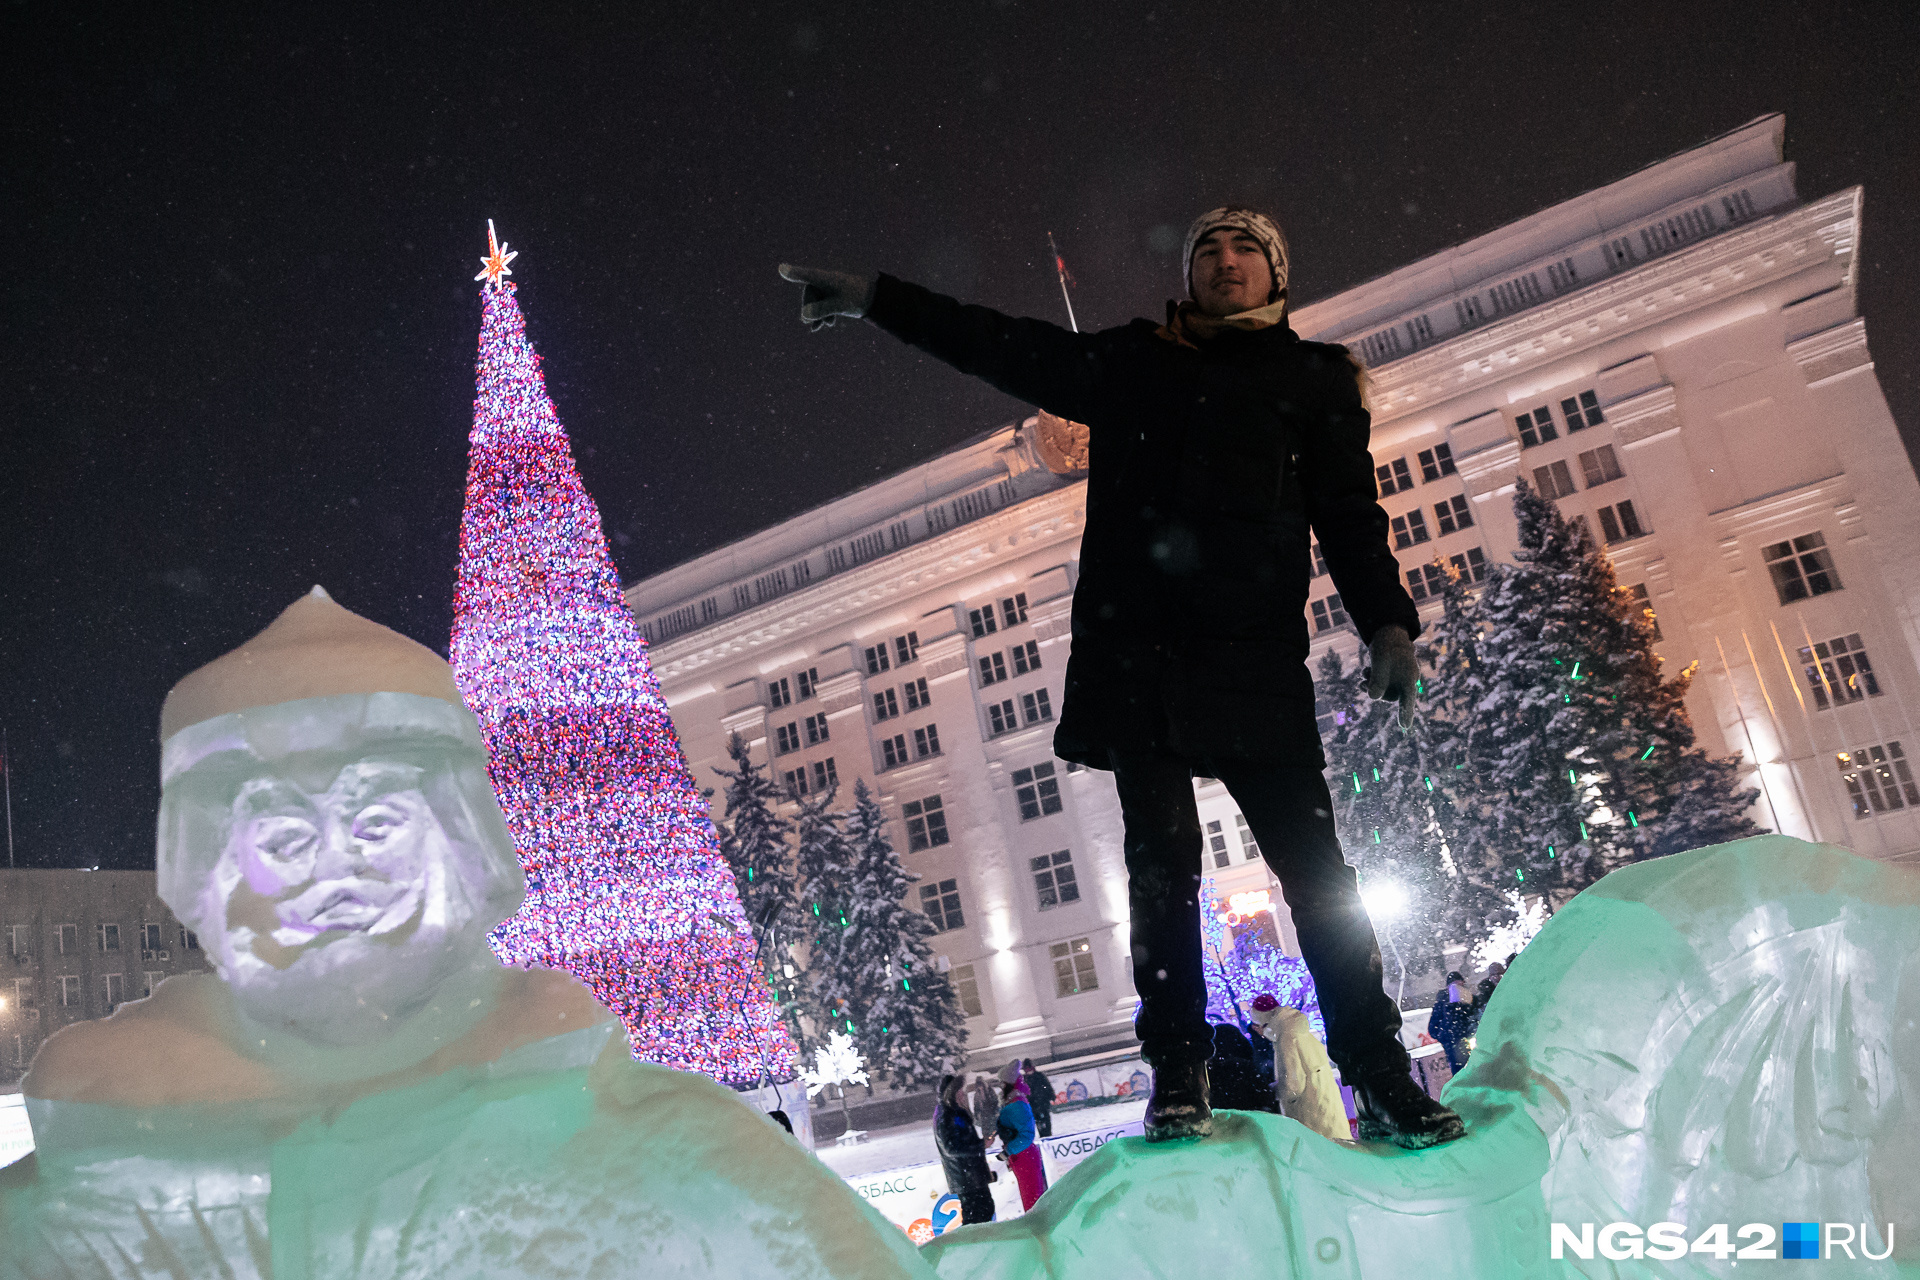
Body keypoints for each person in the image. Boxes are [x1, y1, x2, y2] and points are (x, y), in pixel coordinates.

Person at [780, 207, 1464, 1150]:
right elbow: (1003, 346)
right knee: (1160, 878)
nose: (1227, 264)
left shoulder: (1314, 381)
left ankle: (1383, 1076)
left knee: (1321, 880)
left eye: (1246, 252)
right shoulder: (1138, 364)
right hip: (1142, 662)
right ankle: (1178, 1074)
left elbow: (1351, 511)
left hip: (1255, 665)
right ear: (1187, 275)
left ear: (1277, 275)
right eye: (1209, 253)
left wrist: (1386, 617)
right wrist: (879, 300)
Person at [0, 589, 926, 1277]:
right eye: (281, 835)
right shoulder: (75, 1201)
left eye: (375, 824)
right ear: (197, 875)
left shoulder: (656, 1150)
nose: (335, 867)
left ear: (467, 843)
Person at [1248, 994, 1349, 1142]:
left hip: (1311, 1120)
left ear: (1264, 1024)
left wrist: (1270, 1091)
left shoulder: (1286, 1039)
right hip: (1326, 1115)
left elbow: (1292, 1087)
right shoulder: (1300, 1033)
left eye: (1255, 1026)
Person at [933, 1074, 996, 1225]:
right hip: (967, 1178)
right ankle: (976, 1246)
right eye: (960, 1090)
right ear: (952, 1092)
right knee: (977, 1217)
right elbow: (952, 1148)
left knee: (984, 1212)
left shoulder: (952, 1112)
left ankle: (981, 1244)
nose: (963, 1094)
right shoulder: (948, 1115)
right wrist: (981, 1145)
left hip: (970, 1176)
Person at [993, 1073, 1048, 1211]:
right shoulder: (1014, 1103)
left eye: (1002, 1083)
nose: (1000, 1086)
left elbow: (1026, 1136)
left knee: (1032, 1199)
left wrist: (1008, 1151)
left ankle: (1038, 1228)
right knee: (1032, 1197)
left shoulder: (1016, 1105)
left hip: (1024, 1156)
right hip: (1022, 1156)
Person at [1206, 1022, 1280, 1114]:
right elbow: (1264, 1098)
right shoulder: (1247, 1068)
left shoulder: (1209, 1071)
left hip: (1220, 1121)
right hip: (1250, 1121)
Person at [1429, 972, 1477, 1072]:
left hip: (1468, 1043)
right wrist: (1447, 1039)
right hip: (1455, 1047)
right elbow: (1433, 1027)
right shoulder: (1442, 1004)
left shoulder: (1472, 1000)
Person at [1022, 1058, 1055, 1138]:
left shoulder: (1039, 1076)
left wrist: (1051, 1095)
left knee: (1046, 1121)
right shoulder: (1023, 1079)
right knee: (1038, 1122)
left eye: (1028, 1067)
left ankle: (1048, 1135)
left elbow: (1047, 1086)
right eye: (1025, 1068)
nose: (1027, 1070)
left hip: (1043, 1103)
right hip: (1033, 1105)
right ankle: (1043, 1135)